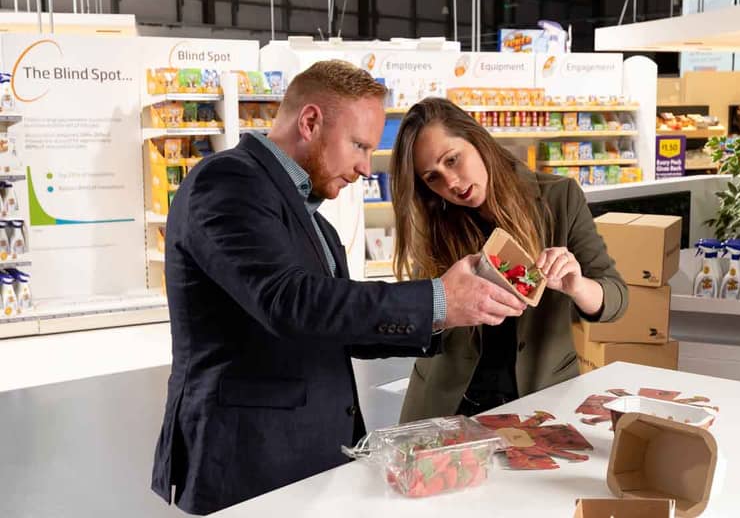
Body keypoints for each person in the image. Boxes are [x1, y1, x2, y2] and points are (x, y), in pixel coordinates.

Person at [150, 61, 526, 515]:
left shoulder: (315, 222)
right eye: (359, 146)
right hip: (247, 459)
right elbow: (289, 301)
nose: (366, 167)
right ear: (310, 122)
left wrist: (450, 312)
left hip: (311, 455)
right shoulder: (227, 182)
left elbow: (340, 327)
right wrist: (437, 297)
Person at [392, 98, 629, 422]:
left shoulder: (559, 198)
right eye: (433, 177)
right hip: (450, 406)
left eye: (453, 159)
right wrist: (442, 308)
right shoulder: (436, 222)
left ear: (477, 139)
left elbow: (616, 298)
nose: (452, 183)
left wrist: (578, 286)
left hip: (542, 403)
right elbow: (420, 327)